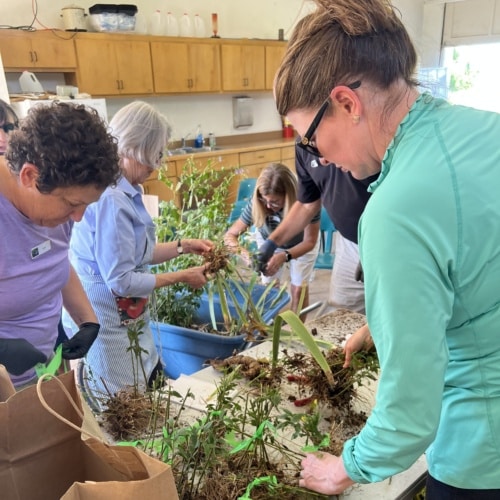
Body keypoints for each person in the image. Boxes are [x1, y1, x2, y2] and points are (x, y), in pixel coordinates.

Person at [274, 0, 500, 498]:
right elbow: (478, 267)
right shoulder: (485, 130)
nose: (319, 157)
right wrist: (385, 322)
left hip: (483, 451)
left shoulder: (395, 209)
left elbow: (409, 413)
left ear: (348, 103)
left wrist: (343, 468)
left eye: (311, 138)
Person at [66, 101, 214, 401]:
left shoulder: (125, 190)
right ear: (134, 148)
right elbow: (121, 279)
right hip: (105, 317)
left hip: (123, 314)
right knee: (119, 402)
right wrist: (182, 276)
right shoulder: (111, 200)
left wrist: (183, 246)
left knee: (138, 383)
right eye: (154, 156)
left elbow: (135, 253)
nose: (156, 165)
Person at [0, 101, 120, 388]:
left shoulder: (55, 211)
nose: (77, 218)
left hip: (45, 367)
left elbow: (55, 260)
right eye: (72, 204)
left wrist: (87, 320)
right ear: (30, 176)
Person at [257, 144, 377, 314]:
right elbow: (307, 206)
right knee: (343, 310)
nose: (322, 160)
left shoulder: (366, 144)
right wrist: (271, 243)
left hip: (385, 238)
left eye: (316, 141)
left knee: (387, 309)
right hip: (349, 240)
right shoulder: (303, 148)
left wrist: (376, 246)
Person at [225, 163, 320, 320]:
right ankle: (269, 329)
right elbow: (230, 236)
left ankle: (297, 332)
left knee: (298, 290)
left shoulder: (306, 202)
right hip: (268, 241)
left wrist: (284, 256)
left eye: (275, 202)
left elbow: (310, 241)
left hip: (301, 243)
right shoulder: (258, 203)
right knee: (269, 289)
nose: (268, 206)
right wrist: (247, 256)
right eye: (264, 200)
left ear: (288, 195)